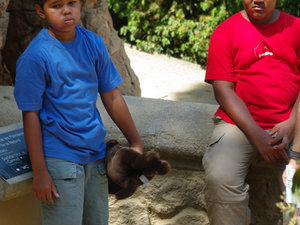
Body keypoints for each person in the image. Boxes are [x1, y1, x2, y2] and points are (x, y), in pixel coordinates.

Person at [14, 0, 143, 225]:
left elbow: (112, 96)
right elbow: (30, 115)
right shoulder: (35, 56)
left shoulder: (93, 43)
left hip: (95, 154)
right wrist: (40, 172)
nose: (66, 10)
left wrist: (136, 143)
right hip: (59, 159)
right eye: (56, 5)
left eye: (72, 3)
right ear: (40, 11)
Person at [202, 0, 300, 224]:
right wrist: (257, 135)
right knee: (220, 177)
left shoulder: (296, 28)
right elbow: (223, 91)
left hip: (293, 121)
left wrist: (292, 123)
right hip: (239, 124)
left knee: (298, 187)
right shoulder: (225, 31)